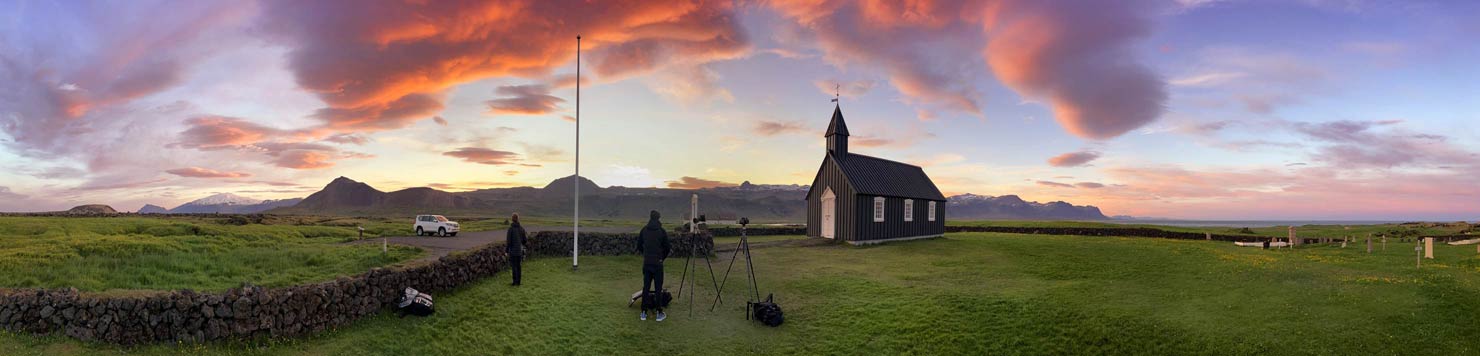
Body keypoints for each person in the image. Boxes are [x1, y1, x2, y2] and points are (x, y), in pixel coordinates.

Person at [636, 210, 670, 322]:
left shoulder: (644, 230)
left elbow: (639, 245)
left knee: (646, 287)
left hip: (647, 263)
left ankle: (643, 312)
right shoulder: (661, 231)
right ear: (658, 218)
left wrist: (646, 255)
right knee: (658, 288)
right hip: (658, 263)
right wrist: (662, 258)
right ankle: (659, 313)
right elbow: (667, 247)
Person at [506, 213, 528, 286]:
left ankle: (514, 282)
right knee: (518, 266)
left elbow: (508, 241)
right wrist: (520, 244)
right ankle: (518, 282)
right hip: (519, 251)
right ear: (518, 219)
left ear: (512, 219)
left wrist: (506, 251)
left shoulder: (510, 229)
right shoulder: (521, 229)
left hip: (512, 251)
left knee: (514, 266)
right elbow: (525, 240)